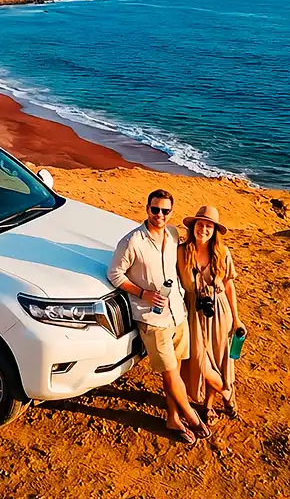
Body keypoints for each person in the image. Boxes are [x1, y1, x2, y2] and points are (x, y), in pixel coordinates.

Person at [108, 189, 212, 445]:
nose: (159, 215)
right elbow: (115, 274)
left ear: (171, 213)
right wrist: (143, 293)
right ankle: (191, 415)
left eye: (165, 211)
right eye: (155, 209)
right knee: (169, 371)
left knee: (174, 370)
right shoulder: (132, 241)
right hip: (152, 320)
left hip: (177, 313)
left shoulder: (174, 234)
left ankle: (172, 418)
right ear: (147, 209)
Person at [178, 206, 244, 424]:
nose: (203, 229)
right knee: (200, 362)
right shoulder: (181, 252)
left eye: (208, 226)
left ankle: (208, 406)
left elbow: (229, 286)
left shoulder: (223, 253)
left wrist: (236, 318)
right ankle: (228, 394)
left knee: (217, 360)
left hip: (219, 312)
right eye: (200, 224)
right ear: (193, 226)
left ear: (214, 230)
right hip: (193, 314)